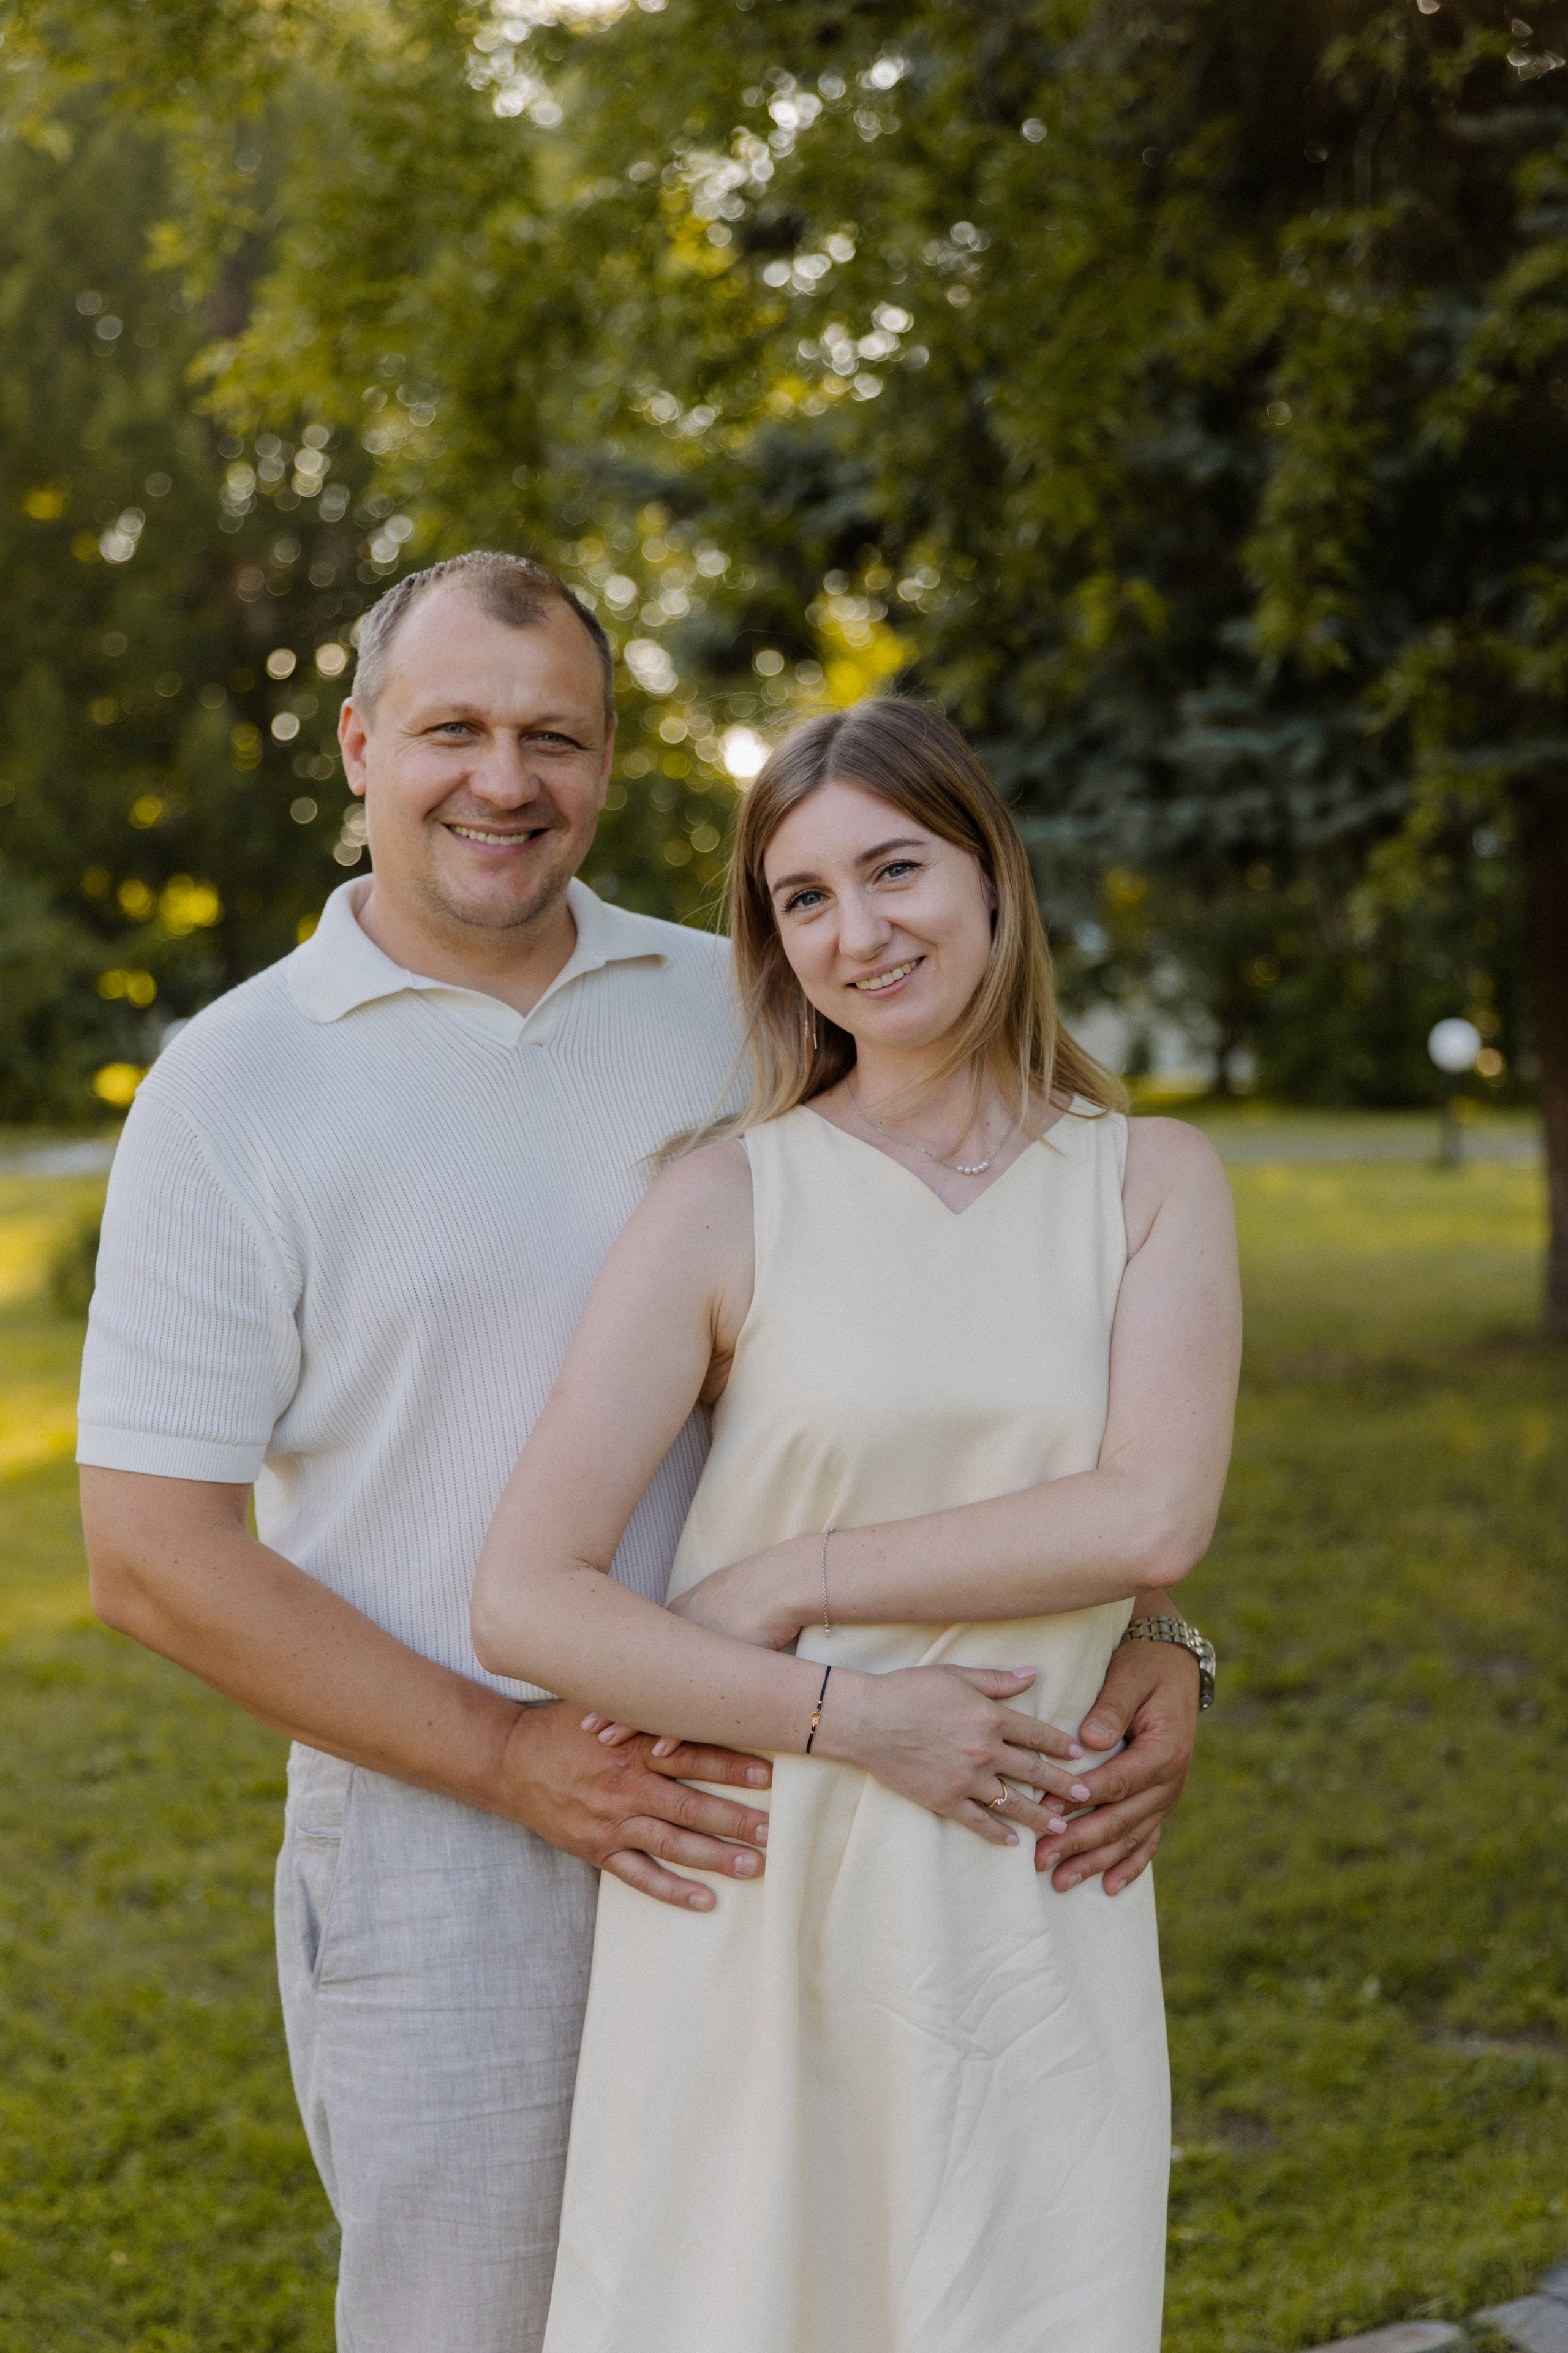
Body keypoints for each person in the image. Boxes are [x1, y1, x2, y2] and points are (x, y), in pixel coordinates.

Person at [78, 553, 1208, 2353]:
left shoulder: (748, 998)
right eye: (451, 729)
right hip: (457, 1815)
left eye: (556, 736)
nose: (503, 779)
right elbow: (149, 1555)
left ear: (608, 764)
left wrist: (1157, 1629)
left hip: (822, 1803)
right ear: (362, 744)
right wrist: (517, 1754)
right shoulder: (236, 1089)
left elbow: (973, 1327)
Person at [472, 697, 1240, 2353]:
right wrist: (853, 1710)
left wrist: (795, 1577)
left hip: (1034, 1880)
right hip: (770, 1877)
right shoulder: (728, 1195)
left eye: (895, 870)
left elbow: (1155, 1511)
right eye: (803, 899)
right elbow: (525, 1598)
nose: (859, 932)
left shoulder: (1150, 1179)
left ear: (990, 874)